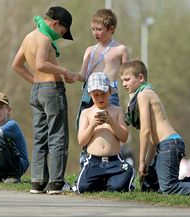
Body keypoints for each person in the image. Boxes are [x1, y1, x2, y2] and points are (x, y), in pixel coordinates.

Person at [120, 59, 190, 199]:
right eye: (122, 81)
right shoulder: (145, 94)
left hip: (170, 145)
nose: (124, 84)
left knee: (168, 188)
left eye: (127, 79)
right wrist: (147, 167)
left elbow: (145, 131)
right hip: (165, 145)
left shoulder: (144, 95)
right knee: (149, 187)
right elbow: (152, 140)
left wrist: (142, 161)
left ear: (140, 77)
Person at [12, 6, 75, 194]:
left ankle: (38, 181)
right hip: (52, 91)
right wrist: (63, 71)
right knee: (57, 136)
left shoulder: (28, 37)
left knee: (40, 137)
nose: (60, 36)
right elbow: (41, 63)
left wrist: (36, 82)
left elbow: (16, 65)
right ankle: (56, 182)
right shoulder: (45, 38)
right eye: (62, 32)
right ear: (55, 24)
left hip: (37, 91)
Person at [68, 9, 130, 167]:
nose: (95, 32)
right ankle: (86, 164)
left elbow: (126, 75)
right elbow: (84, 74)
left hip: (110, 94)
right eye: (93, 29)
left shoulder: (120, 49)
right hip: (89, 95)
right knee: (87, 127)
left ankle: (114, 163)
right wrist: (75, 76)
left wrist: (131, 98)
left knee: (110, 129)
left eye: (99, 29)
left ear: (111, 29)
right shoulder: (90, 50)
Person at [76, 72, 135, 193]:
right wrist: (92, 125)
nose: (100, 98)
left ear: (109, 91)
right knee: (83, 188)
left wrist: (112, 122)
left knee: (118, 187)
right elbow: (81, 141)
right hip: (94, 161)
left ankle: (113, 181)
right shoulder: (86, 113)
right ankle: (103, 181)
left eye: (103, 94)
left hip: (114, 161)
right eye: (96, 95)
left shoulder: (117, 111)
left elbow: (124, 137)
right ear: (90, 94)